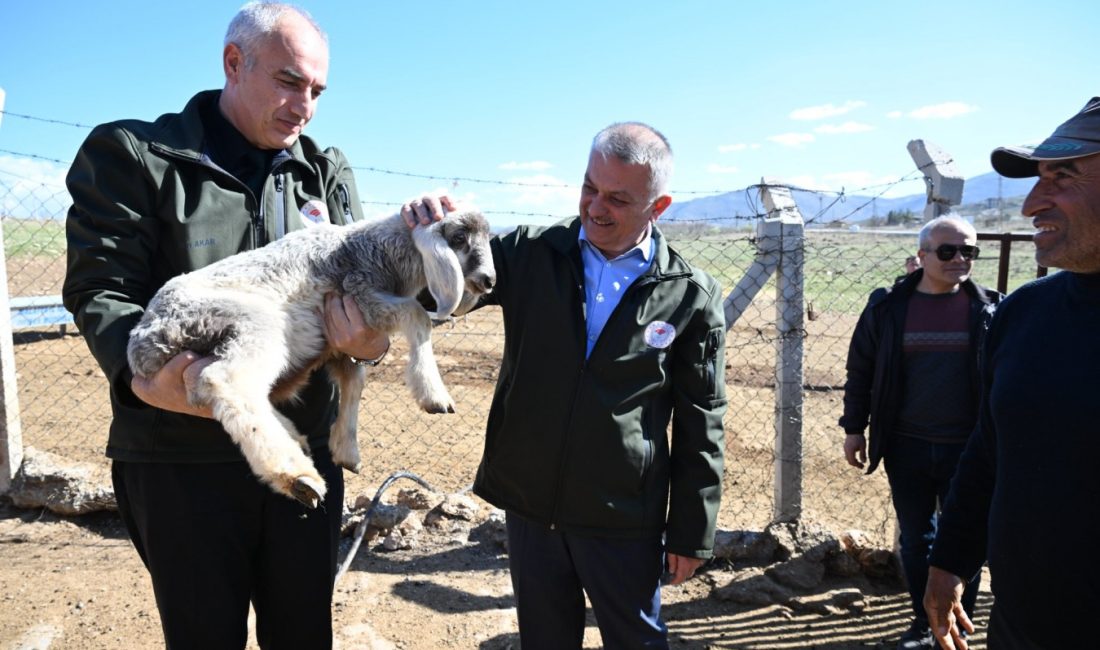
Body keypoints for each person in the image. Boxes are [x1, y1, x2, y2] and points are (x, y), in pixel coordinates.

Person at [61, 3, 390, 648]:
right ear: (233, 63)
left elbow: (364, 297)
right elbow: (102, 290)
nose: (306, 107)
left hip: (301, 449)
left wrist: (369, 344)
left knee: (302, 632)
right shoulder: (138, 156)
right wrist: (143, 376)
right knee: (203, 633)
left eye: (318, 91)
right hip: (182, 454)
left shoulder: (324, 173)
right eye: (290, 82)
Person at [404, 122, 728, 649]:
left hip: (622, 513)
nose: (596, 207)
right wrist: (428, 232)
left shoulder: (688, 294)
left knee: (636, 639)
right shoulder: (531, 253)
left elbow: (702, 419)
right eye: (589, 188)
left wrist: (693, 532)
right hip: (532, 505)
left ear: (658, 206)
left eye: (619, 199)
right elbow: (435, 296)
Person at [924, 98, 1100, 649]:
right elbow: (991, 446)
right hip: (1022, 626)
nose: (1030, 206)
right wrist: (949, 560)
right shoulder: (1025, 313)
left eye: (1062, 177)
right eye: (1037, 179)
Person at [840, 215, 1001, 649]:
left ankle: (957, 625)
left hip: (969, 450)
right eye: (948, 251)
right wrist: (854, 427)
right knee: (915, 538)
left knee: (967, 539)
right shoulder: (887, 308)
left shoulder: (990, 309)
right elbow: (862, 369)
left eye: (968, 251)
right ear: (922, 256)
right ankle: (924, 623)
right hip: (906, 445)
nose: (959, 259)